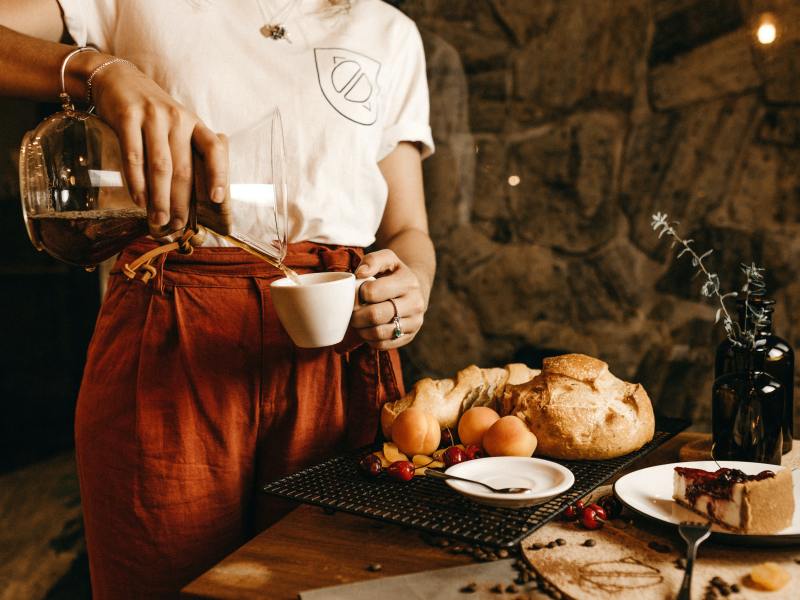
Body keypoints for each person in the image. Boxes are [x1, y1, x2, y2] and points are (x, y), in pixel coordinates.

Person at [0, 0, 436, 597]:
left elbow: (408, 228)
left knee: (327, 582)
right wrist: (96, 72)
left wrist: (410, 286)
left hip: (333, 347)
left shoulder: (387, 31)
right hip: (169, 334)